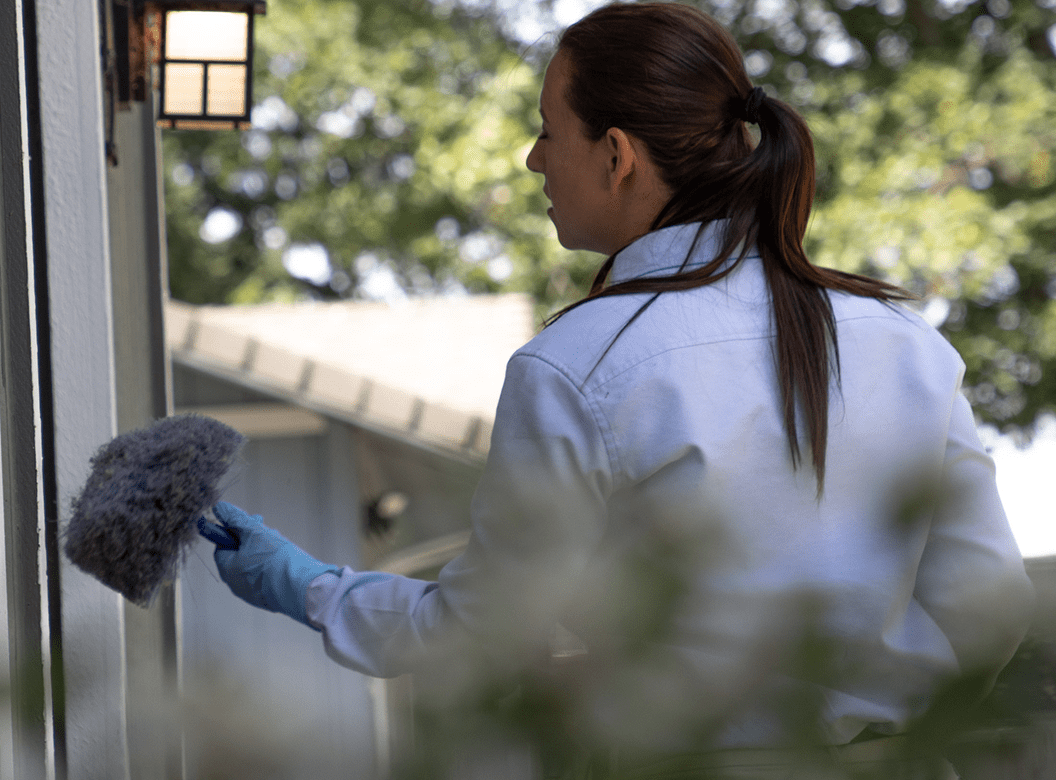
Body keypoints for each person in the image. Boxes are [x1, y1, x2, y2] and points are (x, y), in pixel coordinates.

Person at [202, 2, 1033, 775]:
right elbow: (989, 605)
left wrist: (308, 586)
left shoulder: (576, 366)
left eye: (546, 128)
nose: (533, 158)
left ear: (617, 154)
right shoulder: (906, 344)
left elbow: (485, 634)